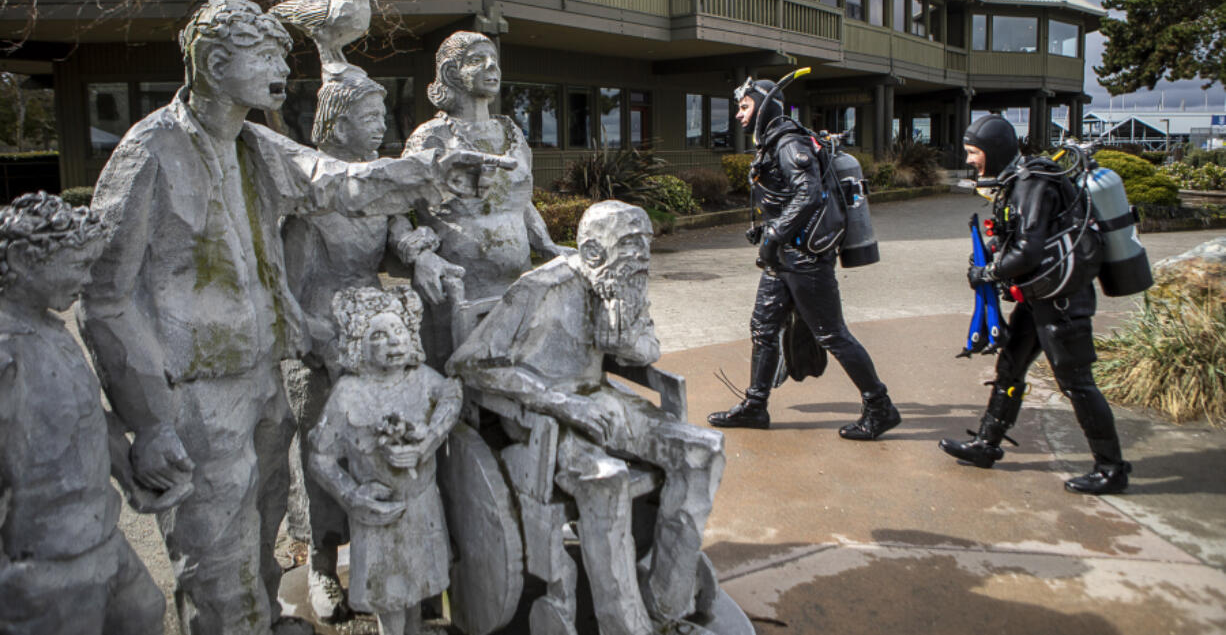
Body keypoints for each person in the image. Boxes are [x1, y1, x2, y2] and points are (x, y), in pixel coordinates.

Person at [79, 0, 509, 635]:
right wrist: (149, 420)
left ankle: (263, 614)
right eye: (265, 53)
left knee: (265, 513)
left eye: (283, 50)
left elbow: (340, 184)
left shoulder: (256, 144)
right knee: (215, 545)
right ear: (215, 61)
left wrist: (429, 172)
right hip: (194, 391)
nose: (283, 64)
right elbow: (104, 297)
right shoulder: (149, 151)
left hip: (260, 377)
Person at [448, 201, 725, 635]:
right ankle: (625, 626)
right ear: (594, 252)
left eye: (644, 245)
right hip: (544, 420)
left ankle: (665, 606)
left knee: (703, 451)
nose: (641, 257)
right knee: (607, 479)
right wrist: (560, 403)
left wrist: (630, 335)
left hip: (604, 401)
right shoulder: (538, 289)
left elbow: (645, 349)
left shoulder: (620, 285)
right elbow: (469, 363)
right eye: (631, 246)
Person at [280, 66, 463, 621]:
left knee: (397, 437)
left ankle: (408, 561)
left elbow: (399, 231)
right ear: (335, 125)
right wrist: (321, 342)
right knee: (325, 453)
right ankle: (321, 565)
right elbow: (291, 287)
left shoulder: (377, 185)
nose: (382, 123)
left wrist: (422, 254)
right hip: (324, 335)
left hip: (376, 325)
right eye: (370, 115)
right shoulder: (312, 197)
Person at [0, 193, 180, 635]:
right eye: (77, 264)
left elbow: (87, 418)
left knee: (143, 612)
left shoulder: (49, 329)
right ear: (23, 260)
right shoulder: (7, 353)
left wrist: (129, 474)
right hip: (42, 565)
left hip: (98, 538)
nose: (87, 279)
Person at [939, 114, 1131, 495]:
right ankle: (986, 444)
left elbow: (1028, 251)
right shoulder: (1019, 180)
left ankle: (1111, 468)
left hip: (1062, 301)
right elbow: (1018, 236)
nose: (970, 160)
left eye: (974, 152)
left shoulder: (1032, 183)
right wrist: (992, 252)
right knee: (1010, 366)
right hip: (1040, 297)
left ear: (992, 151)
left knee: (1077, 383)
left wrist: (988, 273)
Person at [708, 79, 900, 439]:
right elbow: (788, 196)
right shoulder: (775, 141)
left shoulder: (788, 142)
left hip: (806, 258)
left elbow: (808, 193)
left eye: (745, 107)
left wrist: (776, 232)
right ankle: (755, 406)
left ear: (765, 107)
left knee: (832, 334)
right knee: (763, 329)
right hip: (785, 257)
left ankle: (880, 406)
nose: (738, 114)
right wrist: (769, 231)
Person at [403, 31, 570, 366]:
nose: (492, 66)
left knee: (515, 369)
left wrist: (547, 245)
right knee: (461, 378)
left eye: (494, 58)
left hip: (516, 285)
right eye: (477, 59)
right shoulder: (432, 137)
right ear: (451, 72)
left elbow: (521, 203)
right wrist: (418, 256)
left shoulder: (512, 133)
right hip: (459, 289)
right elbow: (395, 209)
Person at [309, 286, 461, 635]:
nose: (394, 342)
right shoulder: (349, 394)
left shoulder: (423, 380)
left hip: (421, 507)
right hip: (378, 517)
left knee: (418, 585)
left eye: (399, 331)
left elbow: (453, 395)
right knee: (389, 594)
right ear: (359, 344)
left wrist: (430, 438)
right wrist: (351, 497)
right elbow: (321, 459)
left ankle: (417, 629)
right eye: (379, 334)